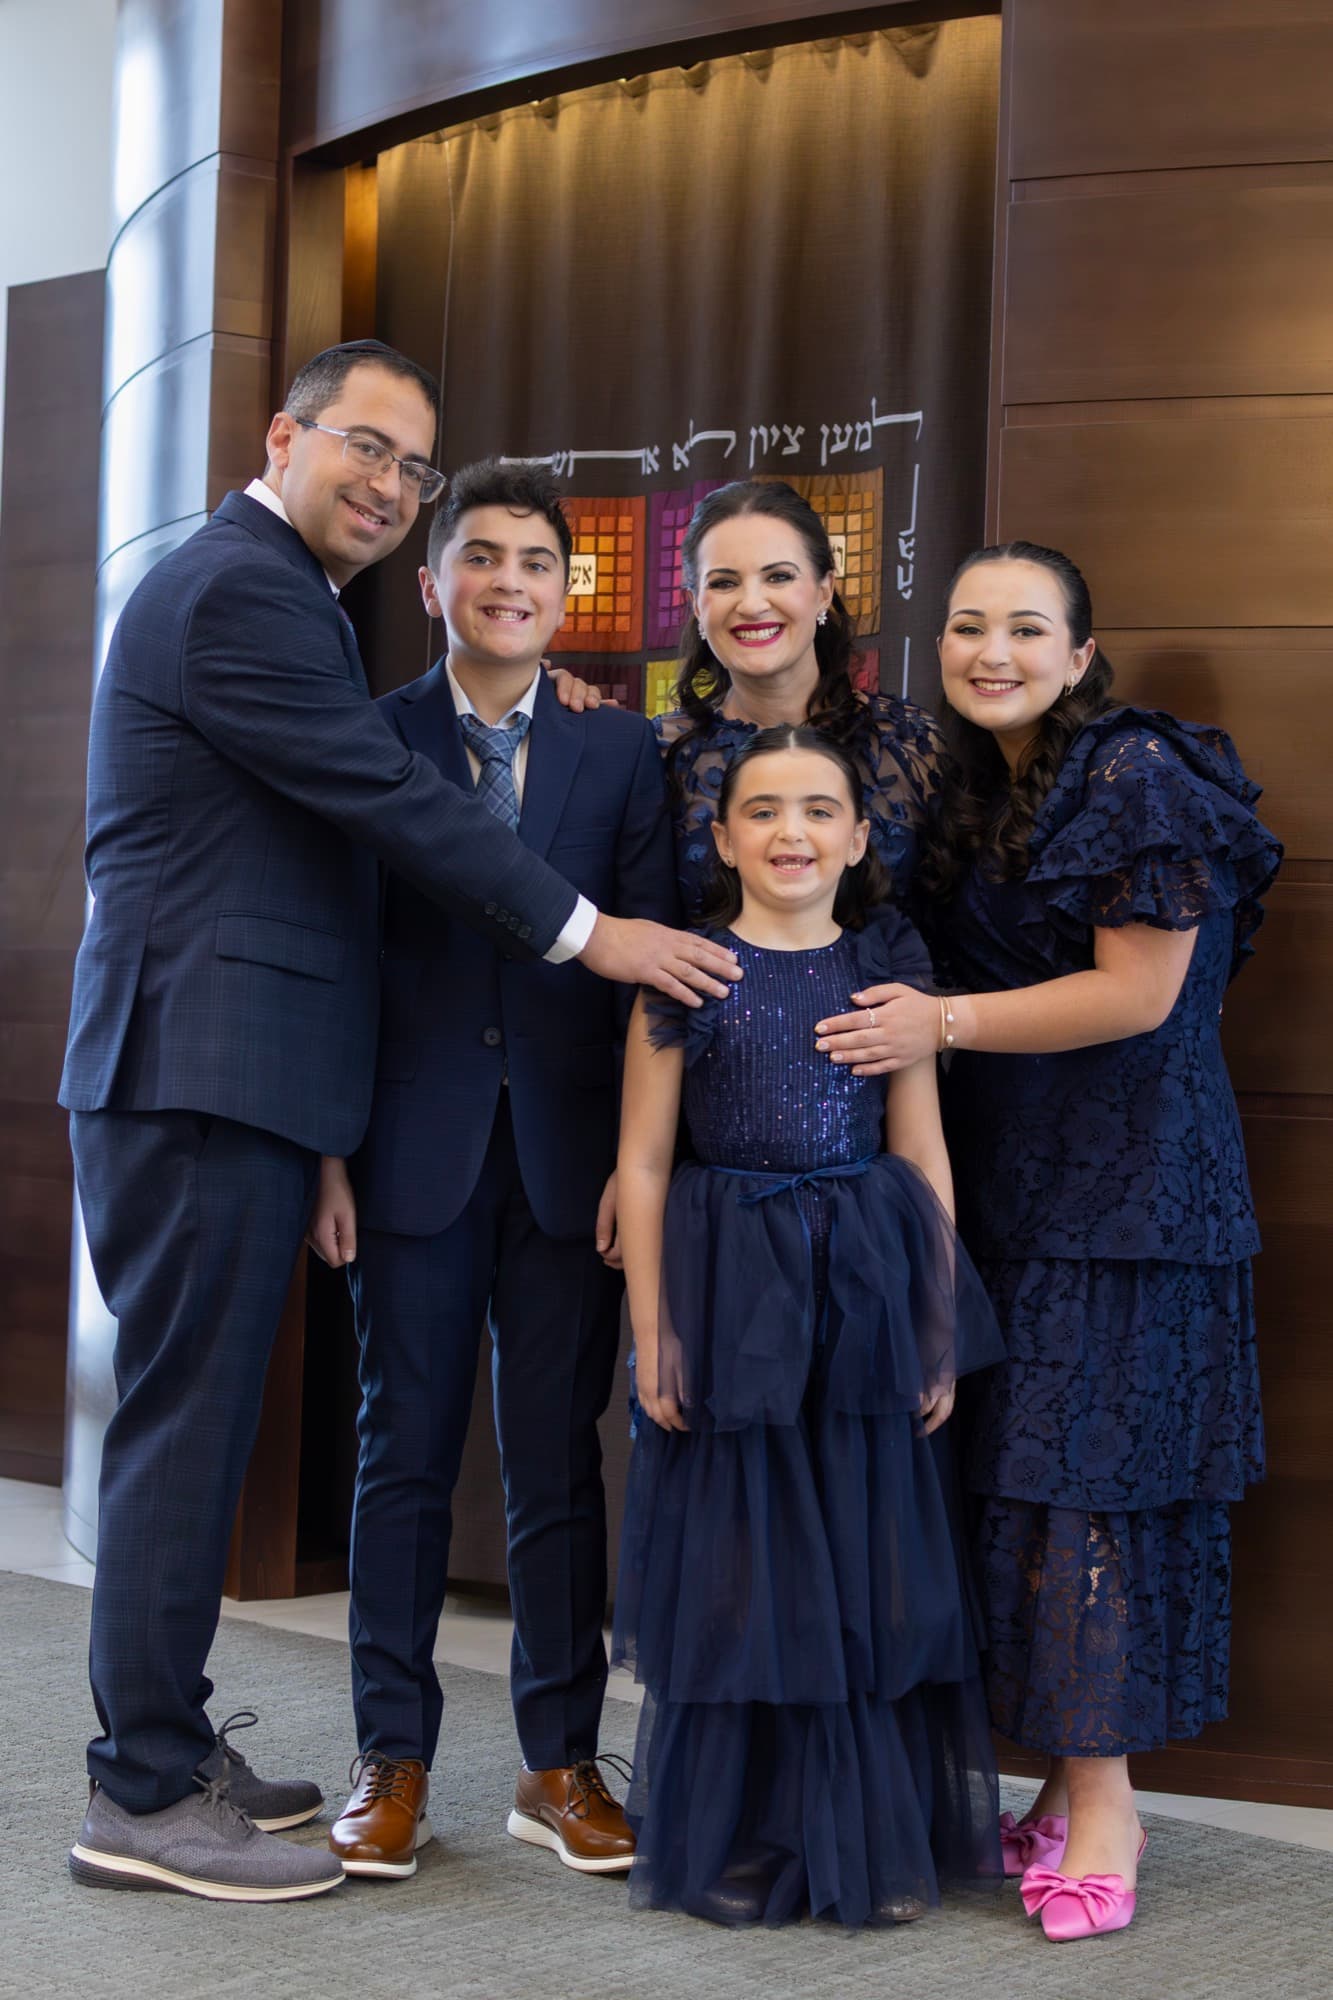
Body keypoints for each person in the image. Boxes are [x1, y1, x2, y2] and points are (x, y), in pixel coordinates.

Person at [60, 341, 738, 1904]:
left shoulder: (278, 594)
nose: (385, 483)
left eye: (410, 465)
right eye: (364, 447)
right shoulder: (246, 593)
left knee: (205, 1425)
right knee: (187, 1429)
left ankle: (170, 1745)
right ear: (282, 437)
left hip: (251, 1076)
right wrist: (591, 932)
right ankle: (143, 1790)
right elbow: (386, 800)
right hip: (204, 1064)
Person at [814, 542, 1280, 1942]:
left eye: (1025, 628)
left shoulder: (1133, 770)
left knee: (1087, 1493)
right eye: (967, 626)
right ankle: (1064, 1789)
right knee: (1022, 1495)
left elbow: (1140, 995)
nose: (990, 651)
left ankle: (1108, 1806)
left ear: (1080, 654)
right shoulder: (974, 782)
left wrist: (938, 1022)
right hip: (1013, 1188)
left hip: (1133, 1200)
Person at [306, 459, 677, 1881]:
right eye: (481, 556)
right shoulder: (368, 735)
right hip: (409, 1152)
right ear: (432, 581)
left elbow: (644, 970)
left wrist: (634, 1164)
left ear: (566, 594)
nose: (507, 581)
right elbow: (339, 958)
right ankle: (389, 1758)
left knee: (557, 1466)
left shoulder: (619, 751)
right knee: (399, 1454)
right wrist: (329, 1154)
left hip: (569, 1161)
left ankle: (559, 1763)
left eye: (533, 561)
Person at [612, 725, 1005, 1927]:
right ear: (723, 837)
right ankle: (748, 1827)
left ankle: (860, 1833)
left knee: (862, 1562)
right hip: (731, 1291)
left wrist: (935, 1319)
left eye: (820, 809)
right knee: (741, 1561)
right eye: (764, 810)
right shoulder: (686, 972)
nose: (793, 831)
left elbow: (920, 1149)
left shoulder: (887, 968)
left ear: (859, 835)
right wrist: (653, 1333)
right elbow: (642, 1162)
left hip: (863, 1289)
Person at [655, 479, 942, 921]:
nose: (752, 604)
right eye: (725, 582)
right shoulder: (656, 754)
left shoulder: (909, 743)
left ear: (824, 591)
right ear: (696, 606)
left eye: (779, 577)